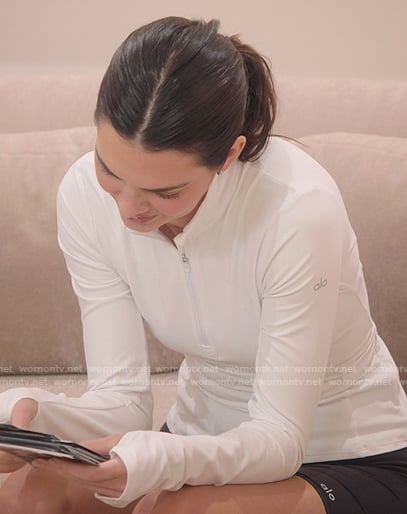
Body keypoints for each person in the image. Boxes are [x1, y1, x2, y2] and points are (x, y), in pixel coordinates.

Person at [1, 16, 406, 514]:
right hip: (201, 441)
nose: (129, 210)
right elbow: (123, 399)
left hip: (345, 455)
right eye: (111, 171)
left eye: (165, 192)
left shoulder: (297, 208)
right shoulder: (83, 194)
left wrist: (164, 461)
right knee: (27, 496)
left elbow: (280, 438)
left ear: (229, 155)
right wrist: (37, 418)